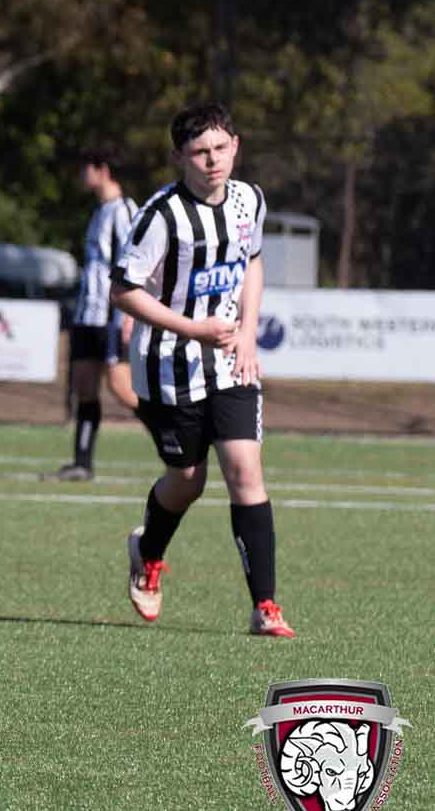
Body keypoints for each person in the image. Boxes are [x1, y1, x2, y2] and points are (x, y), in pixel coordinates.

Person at [109, 101, 295, 638]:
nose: (212, 160)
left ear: (235, 146)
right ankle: (147, 552)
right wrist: (192, 329)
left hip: (231, 361)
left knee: (245, 471)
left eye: (220, 148)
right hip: (167, 365)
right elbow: (123, 290)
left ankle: (265, 606)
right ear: (179, 157)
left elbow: (252, 260)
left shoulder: (249, 199)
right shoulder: (162, 216)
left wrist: (248, 331)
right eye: (199, 152)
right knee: (187, 480)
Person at [49, 146, 140, 482]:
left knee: (121, 387)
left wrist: (129, 314)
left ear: (102, 170)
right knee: (84, 386)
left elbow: (134, 265)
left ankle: (173, 443)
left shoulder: (125, 211)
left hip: (110, 316)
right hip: (87, 315)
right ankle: (82, 463)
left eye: (85, 167)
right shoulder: (99, 211)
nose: (81, 175)